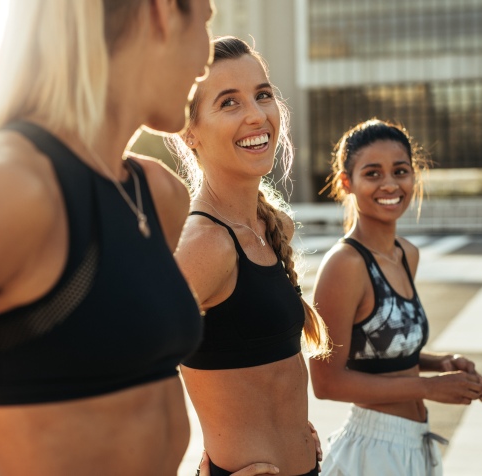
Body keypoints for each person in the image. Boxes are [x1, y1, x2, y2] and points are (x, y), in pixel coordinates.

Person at [0, 1, 229, 475]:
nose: (206, 57)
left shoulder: (158, 194)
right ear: (159, 12)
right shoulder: (12, 185)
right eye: (206, 19)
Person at [166, 36, 330, 476]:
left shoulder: (269, 226)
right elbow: (122, 370)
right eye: (229, 103)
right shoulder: (205, 242)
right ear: (190, 132)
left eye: (263, 95)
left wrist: (293, 431)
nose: (258, 115)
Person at [308, 119, 482, 476]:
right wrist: (429, 388)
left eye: (400, 171)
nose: (390, 184)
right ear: (346, 183)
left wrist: (440, 362)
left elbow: (378, 348)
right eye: (373, 173)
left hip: (416, 443)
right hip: (372, 451)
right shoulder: (345, 265)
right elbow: (325, 381)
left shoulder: (406, 254)